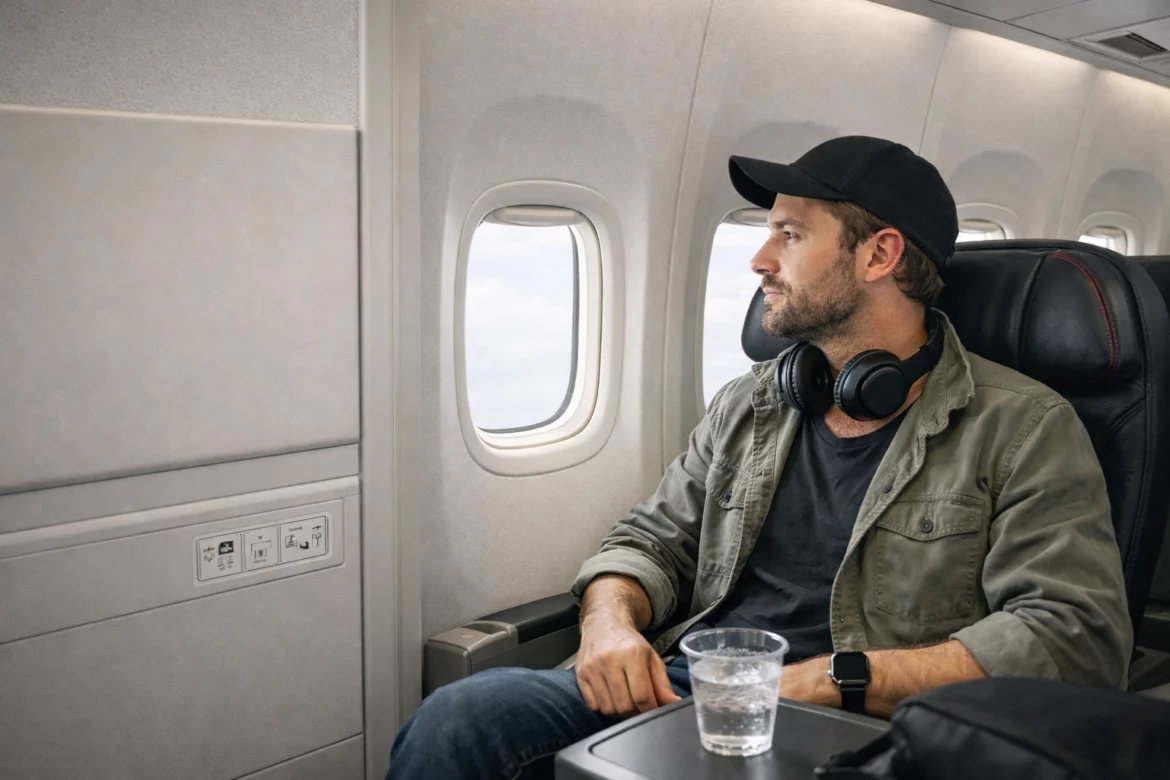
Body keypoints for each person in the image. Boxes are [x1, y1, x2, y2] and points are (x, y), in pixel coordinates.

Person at [386, 136, 1132, 779]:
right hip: (690, 687)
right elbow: (649, 541)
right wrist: (609, 624)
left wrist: (826, 682)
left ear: (880, 254)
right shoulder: (753, 402)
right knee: (462, 719)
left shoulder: (1024, 427)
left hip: (869, 725)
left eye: (790, 235)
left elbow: (1073, 634)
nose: (759, 259)